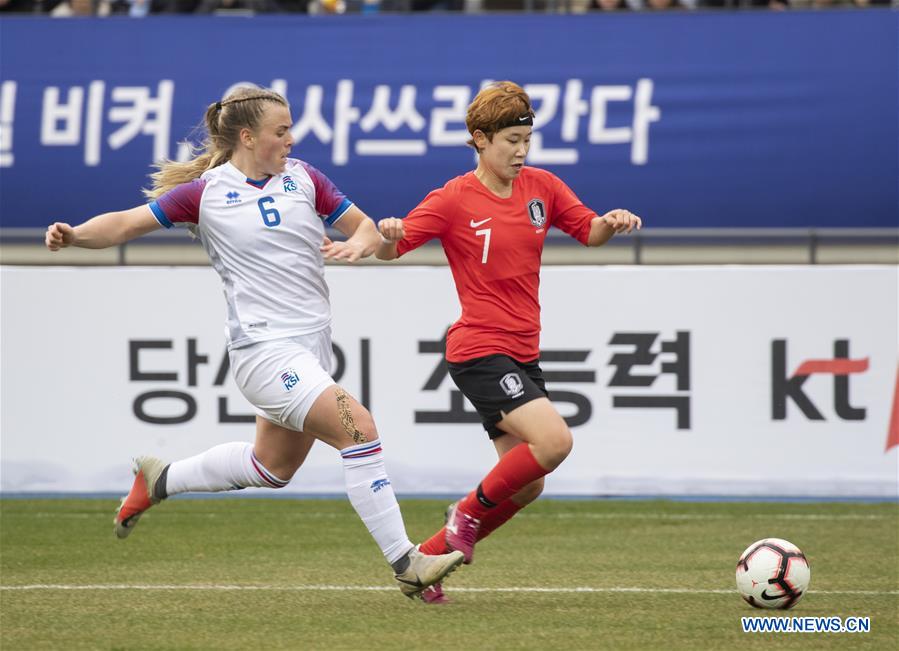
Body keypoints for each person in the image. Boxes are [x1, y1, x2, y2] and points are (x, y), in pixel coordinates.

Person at [44, 85, 463, 600]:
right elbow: (127, 224)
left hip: (310, 351)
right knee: (360, 427)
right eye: (281, 131)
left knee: (273, 468)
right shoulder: (206, 192)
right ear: (248, 137)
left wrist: (359, 241)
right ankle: (407, 563)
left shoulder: (305, 179)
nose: (291, 139)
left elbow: (367, 230)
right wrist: (75, 234)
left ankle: (161, 479)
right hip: (263, 353)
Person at [375, 81, 642, 604]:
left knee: (527, 484)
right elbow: (394, 247)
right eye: (510, 142)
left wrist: (610, 223)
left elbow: (587, 231)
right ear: (479, 139)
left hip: (523, 352)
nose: (521, 152)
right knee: (556, 442)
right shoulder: (453, 198)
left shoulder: (542, 186)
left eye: (526, 140)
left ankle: (422, 565)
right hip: (478, 349)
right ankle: (465, 514)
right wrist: (385, 235)